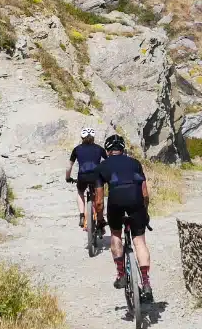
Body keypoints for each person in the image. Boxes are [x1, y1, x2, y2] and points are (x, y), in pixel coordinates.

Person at [94, 134, 153, 302]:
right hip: (136, 203)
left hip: (116, 204)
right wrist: (145, 212)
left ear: (107, 150)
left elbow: (98, 201)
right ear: (123, 149)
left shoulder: (102, 167)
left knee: (116, 235)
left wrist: (100, 220)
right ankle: (146, 282)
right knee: (140, 241)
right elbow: (145, 193)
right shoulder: (135, 163)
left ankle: (121, 274)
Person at [66, 127, 106, 230]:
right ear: (93, 137)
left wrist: (68, 178)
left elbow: (69, 166)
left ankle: (82, 216)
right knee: (99, 197)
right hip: (96, 177)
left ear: (81, 137)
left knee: (80, 192)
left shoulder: (77, 149)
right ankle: (100, 219)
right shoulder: (99, 148)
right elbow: (108, 162)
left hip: (82, 176)